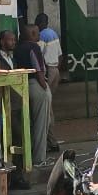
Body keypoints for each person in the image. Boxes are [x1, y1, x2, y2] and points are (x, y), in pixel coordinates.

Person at [0, 30, 30, 189]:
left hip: (15, 105)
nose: (13, 42)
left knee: (18, 139)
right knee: (12, 140)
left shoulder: (11, 58)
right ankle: (14, 177)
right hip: (4, 106)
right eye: (10, 40)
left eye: (14, 40)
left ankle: (15, 176)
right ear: (2, 41)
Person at [15, 25, 53, 167]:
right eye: (36, 33)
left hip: (22, 86)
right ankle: (39, 159)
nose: (39, 35)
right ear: (31, 34)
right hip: (36, 85)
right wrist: (44, 87)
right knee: (41, 123)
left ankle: (31, 157)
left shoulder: (18, 48)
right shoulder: (34, 47)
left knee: (30, 123)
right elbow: (39, 69)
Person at [36, 13, 62, 152]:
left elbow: (38, 56)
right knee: (49, 105)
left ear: (39, 23)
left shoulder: (41, 36)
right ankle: (51, 140)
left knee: (46, 109)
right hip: (55, 70)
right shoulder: (53, 33)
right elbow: (60, 55)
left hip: (47, 72)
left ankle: (51, 141)